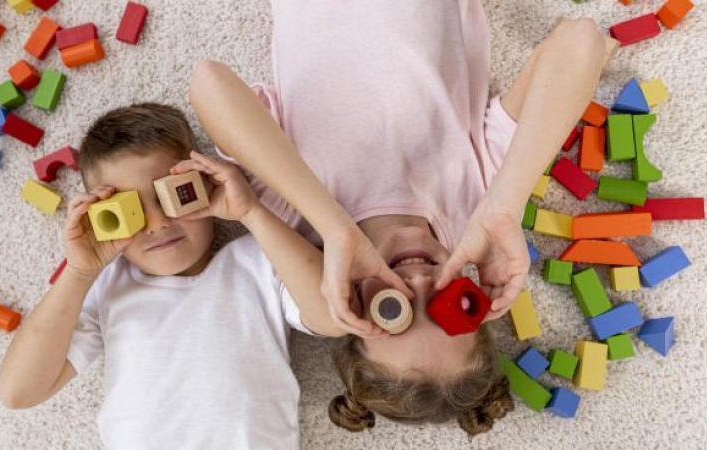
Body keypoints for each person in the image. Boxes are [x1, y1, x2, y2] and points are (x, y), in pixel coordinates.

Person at [186, 0, 615, 437]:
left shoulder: (298, 209)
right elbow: (581, 41)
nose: (420, 284)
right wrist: (505, 205)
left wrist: (335, 227)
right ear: (475, 300)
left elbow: (208, 82)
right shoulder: (478, 201)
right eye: (449, 306)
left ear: (351, 309)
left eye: (393, 310)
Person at [0, 103, 344, 449]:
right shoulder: (109, 284)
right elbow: (18, 392)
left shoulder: (256, 261)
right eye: (129, 211)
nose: (158, 224)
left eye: (172, 197)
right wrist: (79, 272)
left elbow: (335, 317)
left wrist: (250, 211)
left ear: (206, 186)